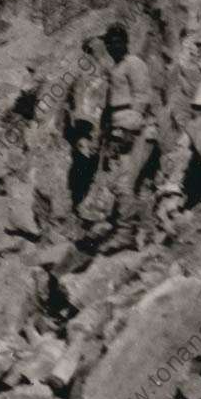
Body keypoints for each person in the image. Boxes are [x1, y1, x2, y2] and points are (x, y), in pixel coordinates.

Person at [98, 23, 158, 249]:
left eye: (116, 42)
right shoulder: (115, 68)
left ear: (124, 42)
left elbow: (142, 97)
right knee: (134, 185)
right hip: (121, 130)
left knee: (125, 183)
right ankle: (146, 232)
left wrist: (129, 129)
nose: (112, 47)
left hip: (137, 130)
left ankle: (125, 233)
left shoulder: (133, 63)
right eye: (108, 43)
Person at [65, 37, 110, 211]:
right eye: (94, 50)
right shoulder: (84, 72)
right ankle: (77, 197)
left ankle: (80, 197)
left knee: (89, 159)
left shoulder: (101, 73)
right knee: (83, 157)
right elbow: (77, 96)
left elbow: (101, 101)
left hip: (91, 122)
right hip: (84, 121)